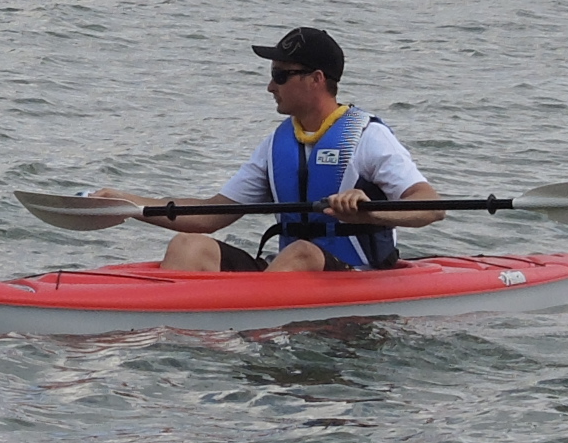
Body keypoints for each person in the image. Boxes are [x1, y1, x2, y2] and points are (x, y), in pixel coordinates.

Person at [141, 27, 443, 274]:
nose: (271, 86)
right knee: (188, 245)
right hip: (286, 274)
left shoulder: (367, 136)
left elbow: (431, 206)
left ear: (317, 79)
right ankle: (176, 329)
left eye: (281, 75)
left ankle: (244, 321)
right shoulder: (276, 144)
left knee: (303, 253)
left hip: (357, 274)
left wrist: (371, 211)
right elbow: (207, 217)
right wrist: (125, 204)